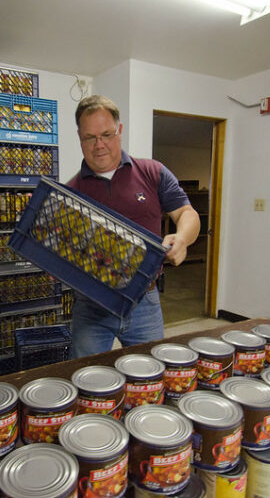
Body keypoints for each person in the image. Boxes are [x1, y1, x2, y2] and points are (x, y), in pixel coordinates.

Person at [67, 94, 200, 358]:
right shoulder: (71, 192)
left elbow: (187, 213)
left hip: (144, 300)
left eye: (106, 134)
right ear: (80, 138)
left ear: (120, 130)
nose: (99, 145)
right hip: (92, 303)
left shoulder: (152, 172)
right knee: (85, 377)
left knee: (149, 374)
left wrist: (182, 239)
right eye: (89, 137)